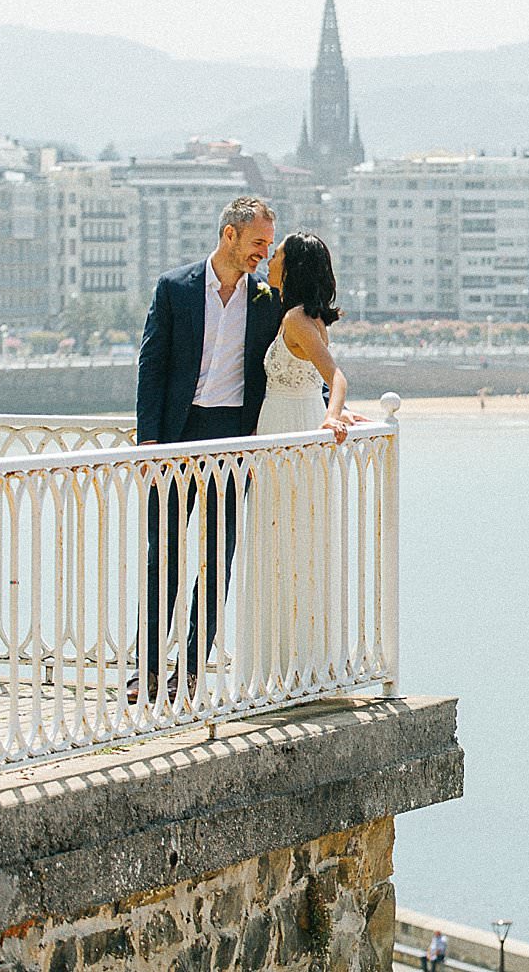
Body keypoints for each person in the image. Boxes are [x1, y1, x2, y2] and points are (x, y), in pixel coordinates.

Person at [131, 196, 281, 703]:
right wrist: (149, 440)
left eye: (268, 241)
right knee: (164, 555)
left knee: (218, 559)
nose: (265, 250)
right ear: (229, 235)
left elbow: (288, 364)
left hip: (234, 436)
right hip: (177, 433)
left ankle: (191, 670)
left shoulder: (268, 297)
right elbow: (151, 364)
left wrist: (328, 406)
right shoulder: (175, 288)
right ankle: (146, 668)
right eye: (258, 240)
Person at [240, 232, 359, 677]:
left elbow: (335, 374)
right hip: (287, 421)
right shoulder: (304, 318)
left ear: (292, 268)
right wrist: (334, 410)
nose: (270, 260)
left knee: (281, 542)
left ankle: (284, 664)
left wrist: (333, 415)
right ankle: (299, 659)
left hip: (290, 429)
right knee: (298, 541)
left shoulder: (295, 320)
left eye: (279, 255)